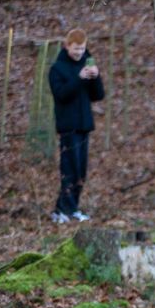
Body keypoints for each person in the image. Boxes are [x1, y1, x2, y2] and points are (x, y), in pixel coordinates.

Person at [48, 28, 104, 224]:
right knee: (69, 168)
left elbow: (98, 95)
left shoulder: (87, 64)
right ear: (67, 46)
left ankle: (71, 208)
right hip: (67, 126)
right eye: (76, 48)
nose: (79, 52)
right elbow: (61, 94)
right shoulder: (57, 68)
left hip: (84, 126)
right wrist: (78, 78)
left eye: (82, 48)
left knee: (81, 170)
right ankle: (62, 210)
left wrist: (95, 77)